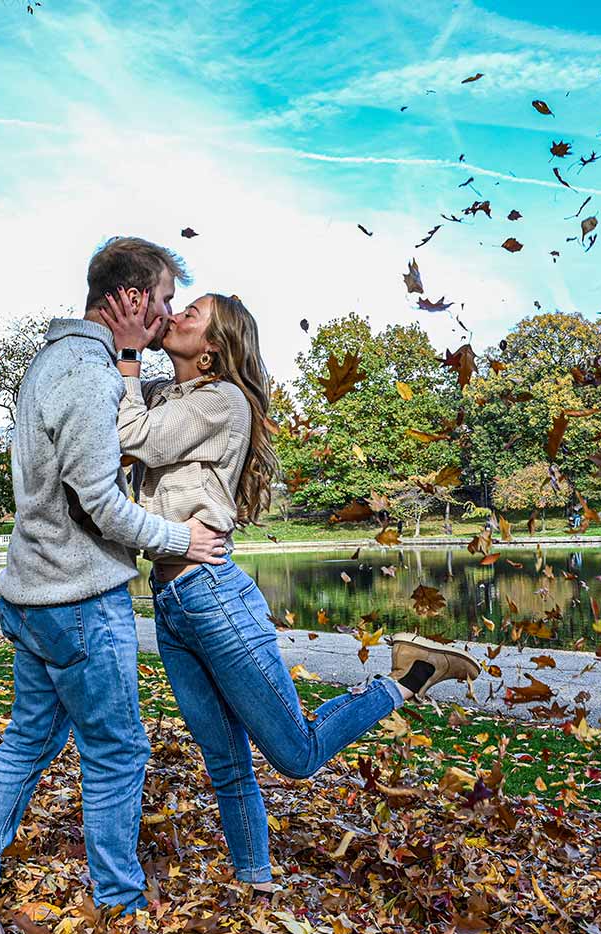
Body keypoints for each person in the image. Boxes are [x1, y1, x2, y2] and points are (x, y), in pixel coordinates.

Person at [100, 288, 480, 888]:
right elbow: (114, 429)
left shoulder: (222, 400)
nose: (174, 316)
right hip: (170, 600)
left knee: (296, 755)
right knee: (225, 762)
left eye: (189, 314)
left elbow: (131, 438)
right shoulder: (159, 394)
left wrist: (126, 349)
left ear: (215, 348)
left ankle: (407, 678)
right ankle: (257, 883)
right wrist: (125, 344)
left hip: (211, 595)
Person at [0, 238, 229, 914]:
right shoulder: (86, 374)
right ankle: (119, 902)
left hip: (35, 593)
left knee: (29, 740)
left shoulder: (60, 360)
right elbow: (99, 503)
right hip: (77, 601)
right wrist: (177, 537)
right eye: (160, 300)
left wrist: (130, 359)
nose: (166, 314)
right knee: (119, 752)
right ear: (130, 299)